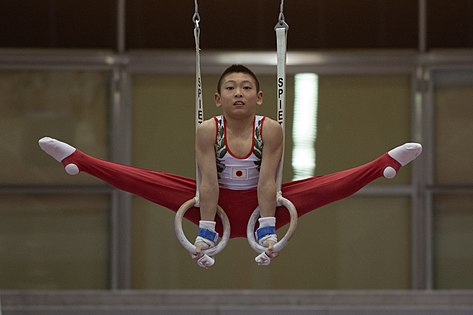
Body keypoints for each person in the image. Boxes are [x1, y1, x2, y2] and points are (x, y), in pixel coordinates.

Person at [38, 64, 422, 268]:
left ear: (259, 97)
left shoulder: (270, 129)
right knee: (149, 183)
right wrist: (206, 230)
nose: (238, 92)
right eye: (230, 88)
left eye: (245, 87)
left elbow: (268, 180)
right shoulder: (208, 130)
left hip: (263, 206)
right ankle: (79, 161)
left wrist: (268, 229)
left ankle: (384, 164)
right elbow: (207, 180)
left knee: (324, 187)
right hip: (213, 205)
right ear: (218, 98)